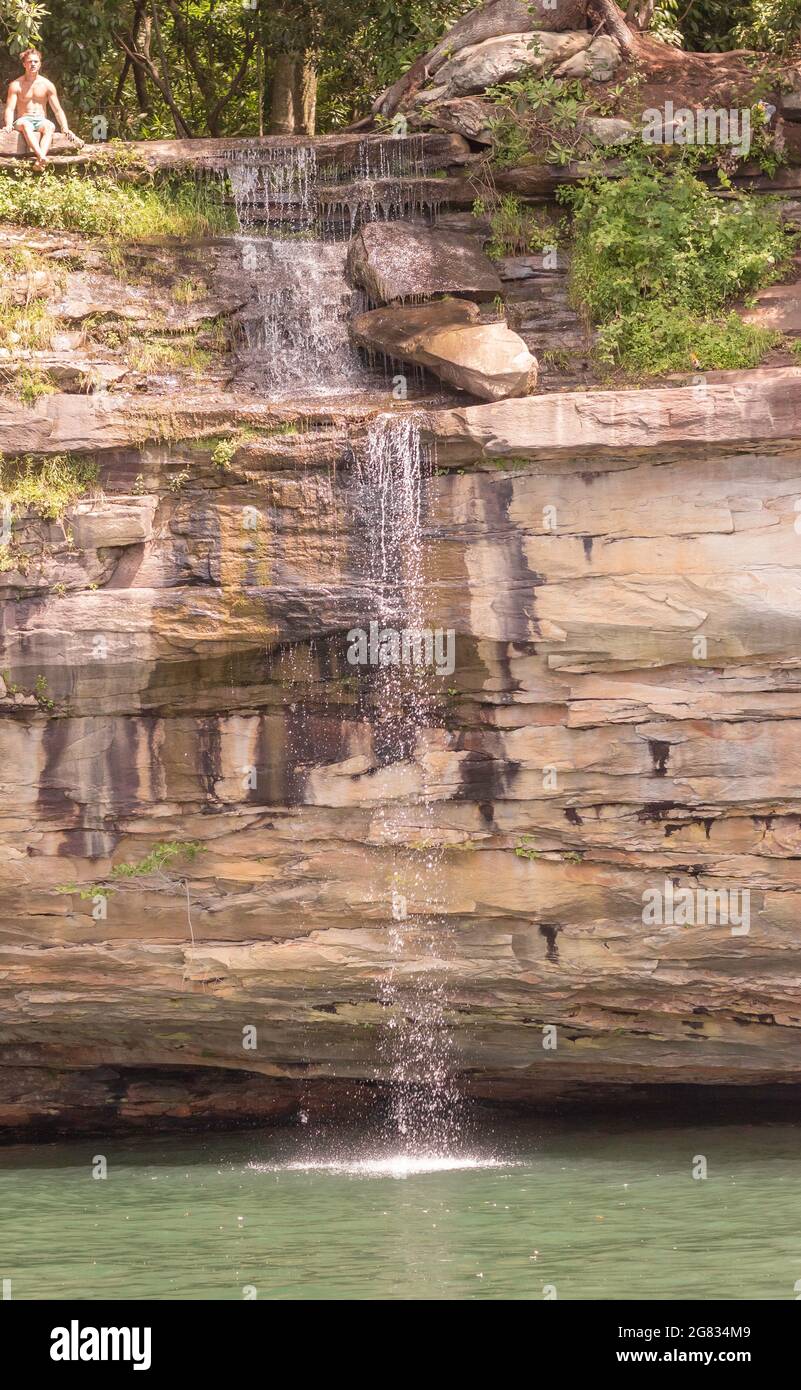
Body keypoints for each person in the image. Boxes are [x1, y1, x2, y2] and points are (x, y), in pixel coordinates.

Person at [2, 48, 82, 171]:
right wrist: (8, 125)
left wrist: (65, 128)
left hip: (40, 120)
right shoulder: (16, 85)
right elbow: (10, 108)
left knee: (49, 127)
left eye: (35, 61)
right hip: (23, 120)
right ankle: (41, 156)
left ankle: (40, 161)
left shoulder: (47, 85)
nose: (32, 64)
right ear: (24, 64)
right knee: (26, 126)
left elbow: (57, 110)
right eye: (29, 62)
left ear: (40, 64)